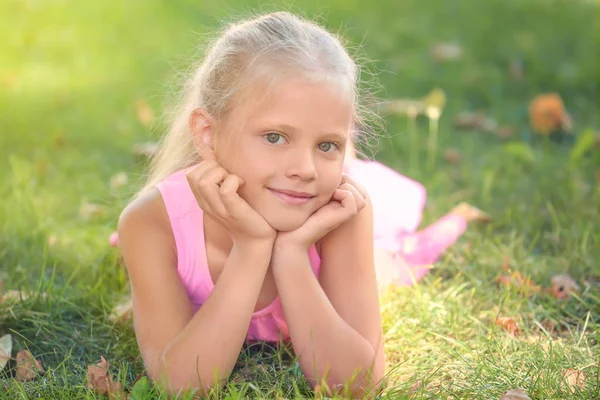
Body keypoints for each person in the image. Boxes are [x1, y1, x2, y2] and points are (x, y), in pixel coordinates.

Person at [116, 11, 482, 398]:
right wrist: (253, 248)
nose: (305, 169)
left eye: (327, 145)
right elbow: (182, 388)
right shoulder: (152, 224)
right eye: (275, 137)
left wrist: (290, 255)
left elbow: (358, 386)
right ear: (208, 135)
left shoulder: (341, 212)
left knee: (390, 263)